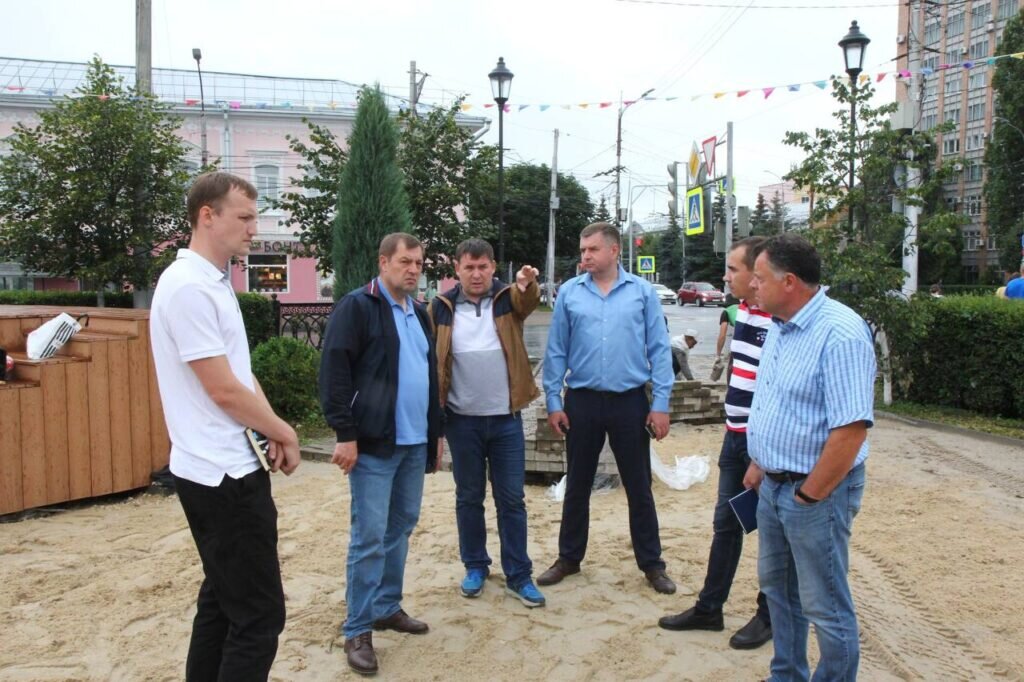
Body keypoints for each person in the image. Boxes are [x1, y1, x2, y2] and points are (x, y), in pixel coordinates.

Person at [150, 171, 301, 681]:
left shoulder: (212, 281)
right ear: (207, 216)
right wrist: (286, 432)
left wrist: (270, 429)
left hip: (230, 465)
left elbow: (241, 373)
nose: (254, 228)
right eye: (245, 217)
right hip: (220, 475)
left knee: (222, 600)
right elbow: (223, 390)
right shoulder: (188, 287)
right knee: (259, 618)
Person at [746, 233, 876, 681]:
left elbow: (851, 430)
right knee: (779, 592)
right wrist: (760, 460)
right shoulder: (781, 324)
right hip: (773, 485)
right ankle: (786, 675)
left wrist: (809, 497)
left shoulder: (840, 333)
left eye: (759, 277)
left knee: (826, 605)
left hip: (816, 493)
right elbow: (778, 400)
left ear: (790, 282)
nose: (752, 285)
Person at [319, 232, 444, 676]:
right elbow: (334, 371)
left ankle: (387, 606)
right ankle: (357, 629)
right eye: (405, 262)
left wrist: (435, 433)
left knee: (401, 526)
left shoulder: (419, 312)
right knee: (369, 537)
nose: (413, 270)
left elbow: (429, 375)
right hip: (373, 444)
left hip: (413, 442)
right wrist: (345, 433)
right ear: (384, 262)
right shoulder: (358, 306)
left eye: (418, 263)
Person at [539, 221, 677, 595]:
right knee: (577, 483)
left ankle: (652, 564)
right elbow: (556, 350)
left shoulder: (642, 293)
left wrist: (660, 404)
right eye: (583, 250)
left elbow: (659, 349)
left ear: (614, 251)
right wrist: (553, 400)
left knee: (639, 485)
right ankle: (569, 558)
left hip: (629, 401)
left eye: (592, 250)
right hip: (581, 401)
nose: (585, 256)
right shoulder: (570, 293)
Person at [658, 236, 773, 650]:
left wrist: (763, 454)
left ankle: (769, 614)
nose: (725, 278)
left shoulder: (779, 320)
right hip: (734, 438)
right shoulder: (743, 312)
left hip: (764, 447)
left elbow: (776, 392)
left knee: (772, 532)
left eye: (732, 269)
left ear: (758, 273)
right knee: (726, 525)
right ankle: (710, 608)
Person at [429, 238, 546, 608]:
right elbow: (430, 358)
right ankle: (476, 566)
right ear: (457, 269)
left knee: (511, 500)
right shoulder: (441, 306)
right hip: (461, 422)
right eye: (469, 267)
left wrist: (527, 284)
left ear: (493, 267)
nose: (476, 274)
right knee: (468, 498)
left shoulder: (508, 298)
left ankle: (519, 575)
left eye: (483, 267)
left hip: (505, 420)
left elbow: (528, 302)